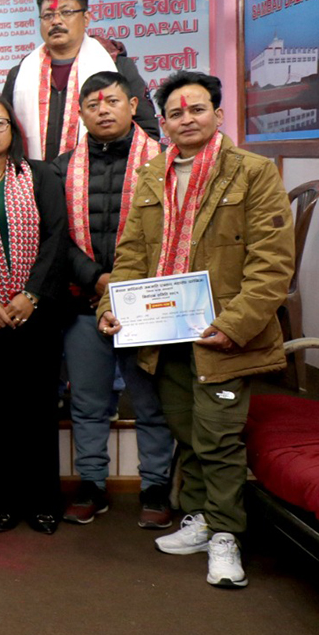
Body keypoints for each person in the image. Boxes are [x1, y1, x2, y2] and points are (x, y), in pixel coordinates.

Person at [98, 70, 294, 589]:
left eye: (197, 109)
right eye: (176, 113)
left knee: (219, 436)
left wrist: (233, 326)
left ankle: (227, 535)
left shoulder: (252, 173)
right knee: (186, 431)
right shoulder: (152, 175)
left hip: (224, 336)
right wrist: (111, 305)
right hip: (164, 335)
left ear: (218, 115)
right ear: (163, 123)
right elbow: (131, 255)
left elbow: (272, 265)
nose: (187, 119)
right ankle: (202, 518)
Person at [52, 73, 175, 528]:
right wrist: (97, 278)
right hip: (84, 299)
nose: (103, 110)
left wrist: (126, 285)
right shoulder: (62, 168)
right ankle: (92, 484)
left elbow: (174, 233)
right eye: (92, 104)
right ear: (80, 113)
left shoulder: (164, 162)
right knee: (88, 403)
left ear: (133, 105)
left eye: (112, 102)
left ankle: (156, 486)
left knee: (150, 402)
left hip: (146, 303)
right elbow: (56, 237)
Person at [0, 96, 68, 535]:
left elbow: (57, 237)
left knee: (38, 411)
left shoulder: (40, 175)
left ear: (13, 129)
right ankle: (1, 501)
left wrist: (32, 294)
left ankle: (43, 501)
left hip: (36, 313)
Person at [1, 0, 158, 160]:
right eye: (48, 15)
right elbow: (4, 132)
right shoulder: (20, 74)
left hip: (104, 173)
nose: (56, 21)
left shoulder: (118, 66)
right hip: (35, 175)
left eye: (66, 12)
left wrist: (116, 169)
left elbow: (147, 130)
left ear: (86, 18)